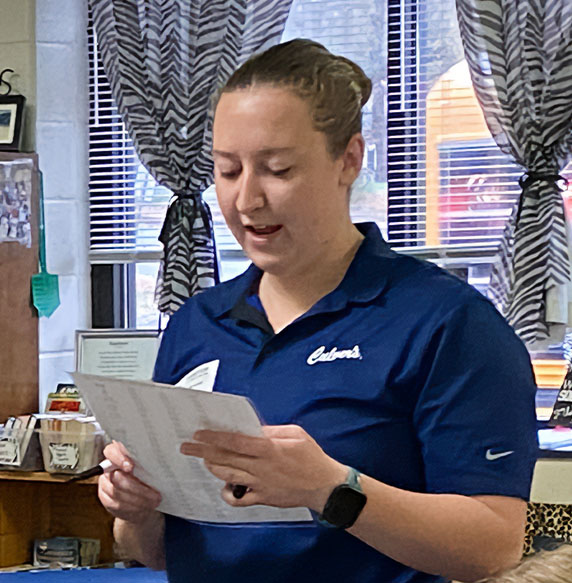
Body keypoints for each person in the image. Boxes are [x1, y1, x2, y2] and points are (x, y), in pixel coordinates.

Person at [98, 39, 538, 583]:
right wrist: (135, 510)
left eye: (278, 169)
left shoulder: (446, 323)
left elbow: (492, 546)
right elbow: (160, 550)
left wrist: (330, 488)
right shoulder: (196, 323)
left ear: (349, 160)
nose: (246, 201)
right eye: (228, 171)